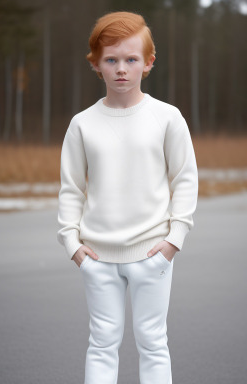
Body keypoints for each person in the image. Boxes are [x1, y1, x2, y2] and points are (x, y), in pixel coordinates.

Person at [57, 10, 198, 384]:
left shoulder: (167, 118)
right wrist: (72, 243)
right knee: (102, 343)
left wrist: (174, 240)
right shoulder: (82, 124)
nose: (122, 68)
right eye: (112, 60)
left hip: (153, 252)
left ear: (148, 62)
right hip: (97, 257)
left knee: (153, 342)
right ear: (96, 64)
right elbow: (71, 188)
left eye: (131, 59)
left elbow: (184, 179)